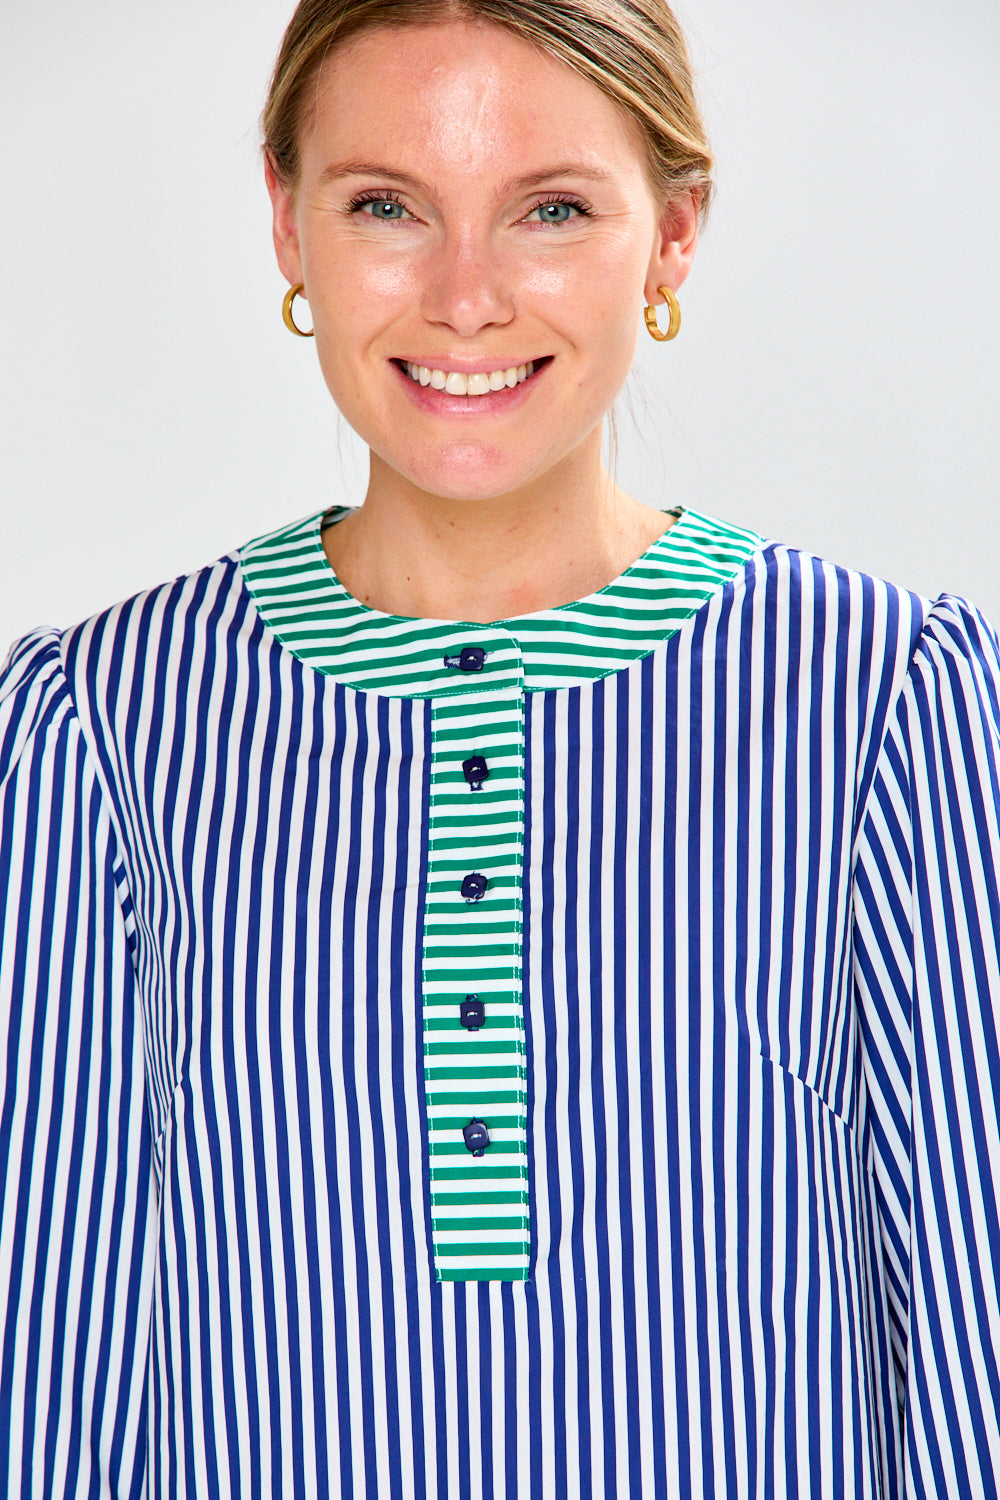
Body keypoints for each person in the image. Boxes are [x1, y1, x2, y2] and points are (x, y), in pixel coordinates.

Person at [2, 0, 1000, 1494]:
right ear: (287, 223)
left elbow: (974, 1341)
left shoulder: (894, 699)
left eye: (549, 209)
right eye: (388, 205)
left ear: (672, 234)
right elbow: (50, 1361)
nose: (466, 297)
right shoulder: (96, 727)